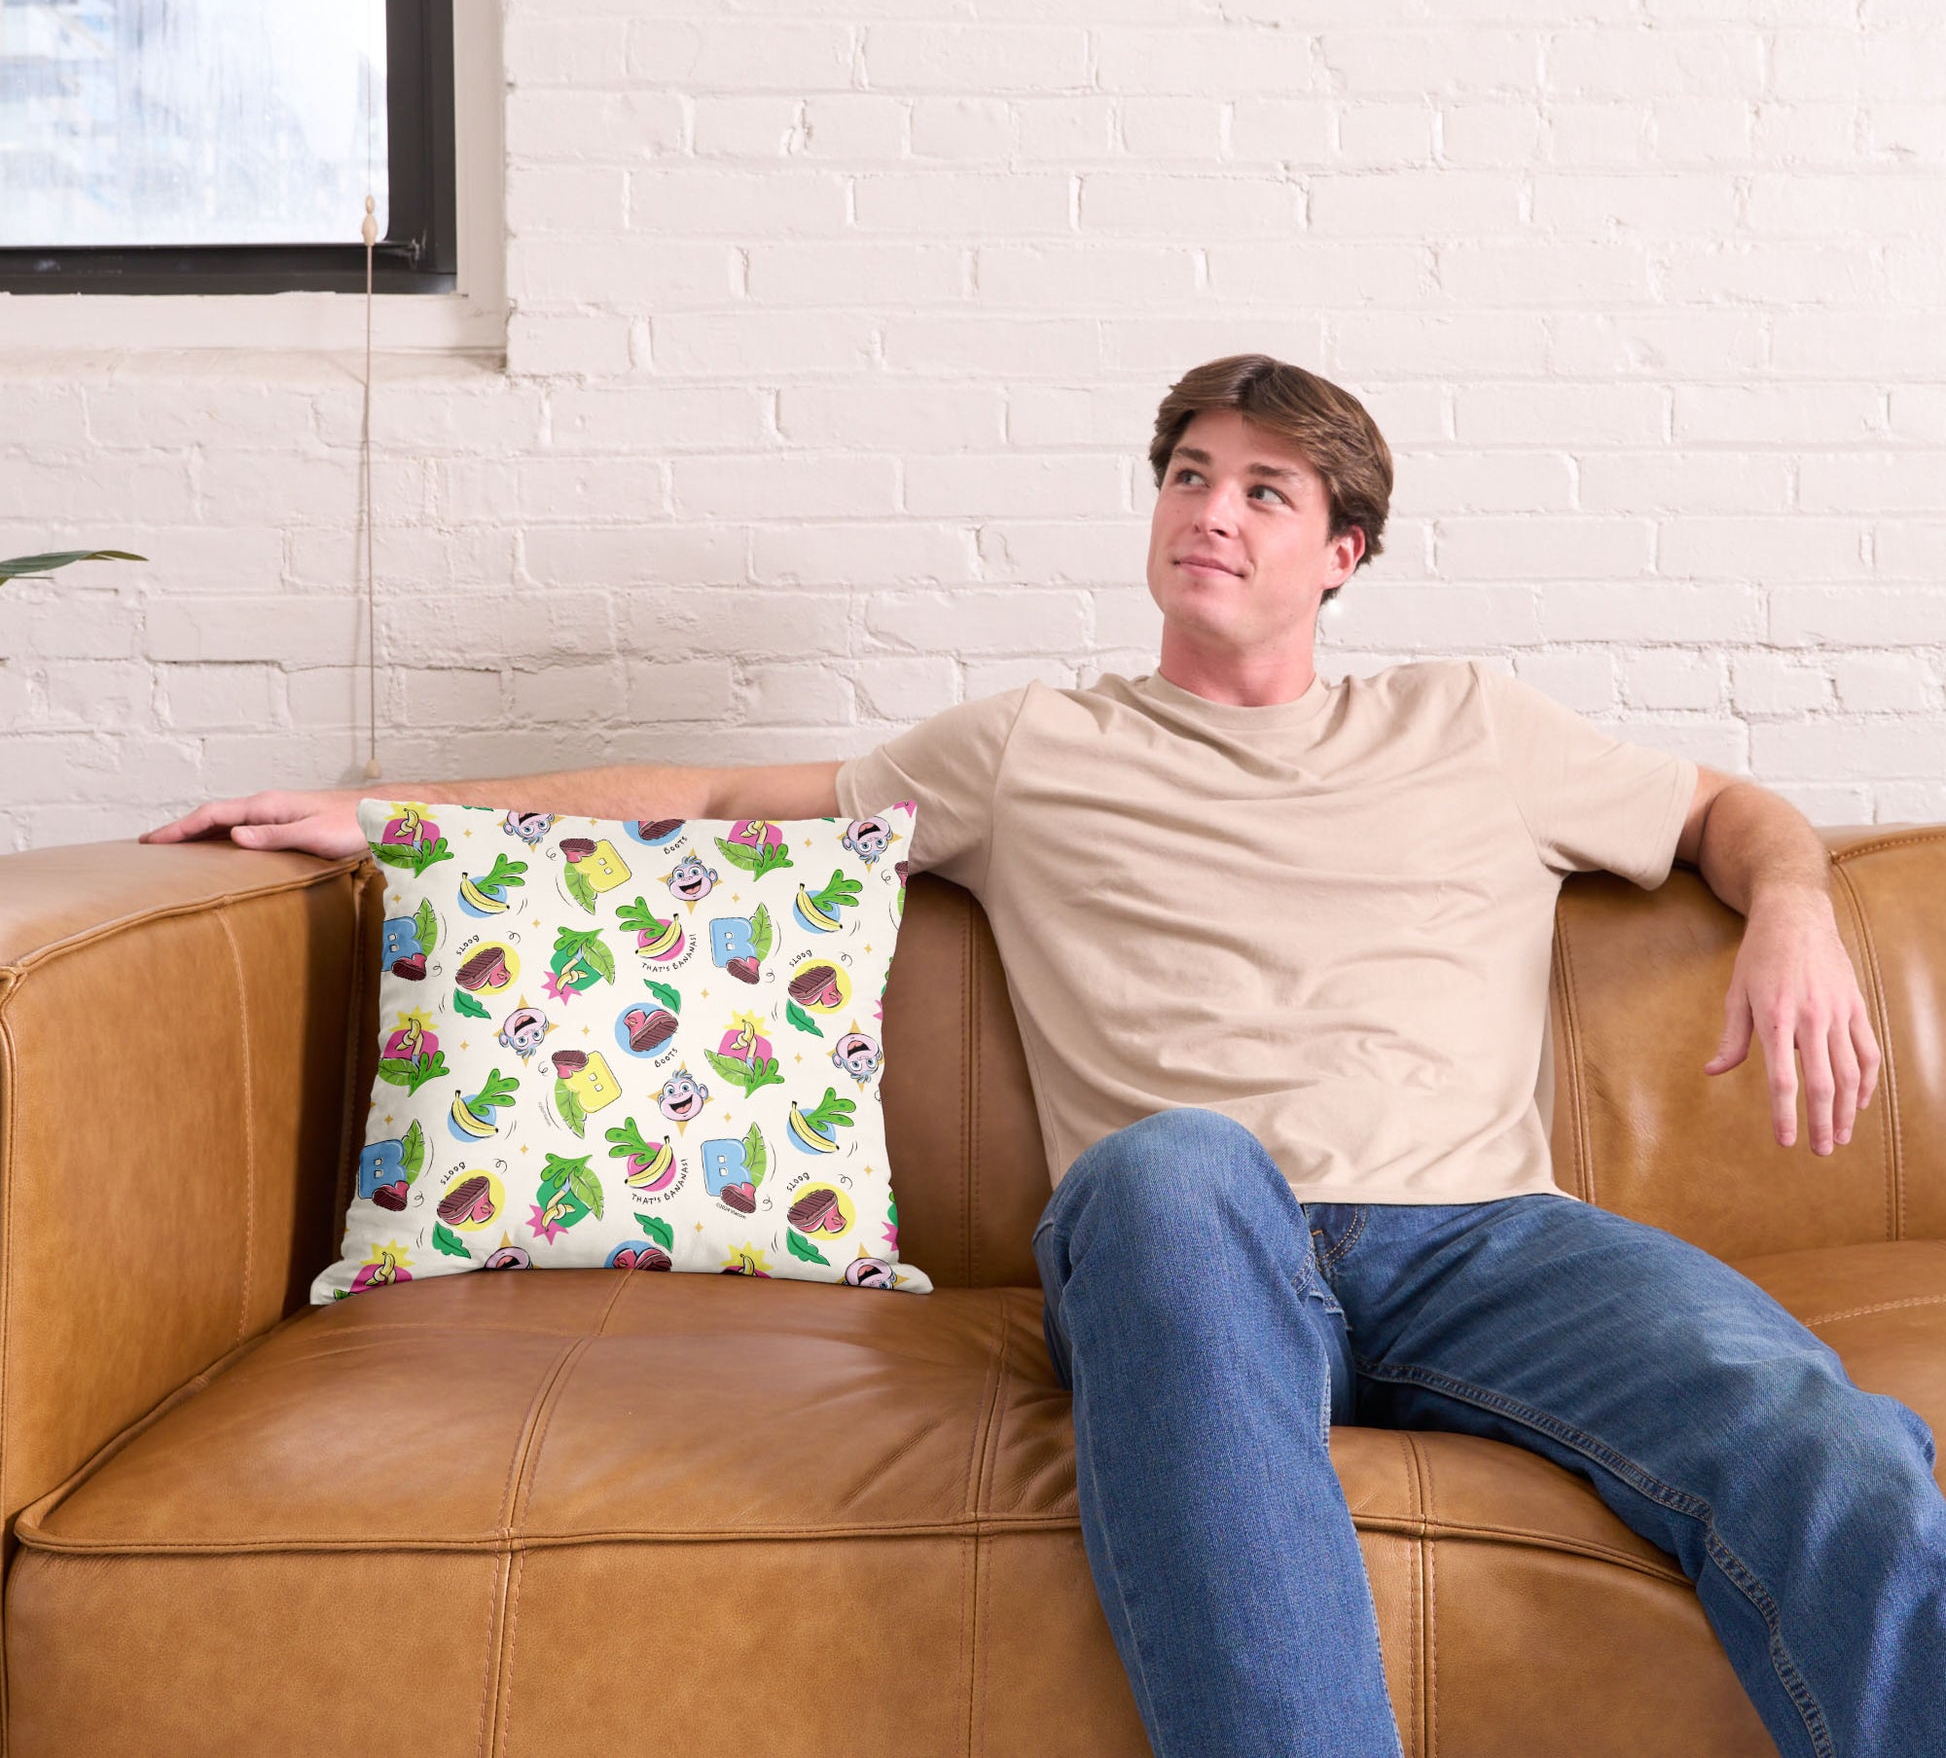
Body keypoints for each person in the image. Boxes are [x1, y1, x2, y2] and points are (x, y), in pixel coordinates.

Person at [144, 352, 1943, 1757]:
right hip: (1192, 1242)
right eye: (1186, 474)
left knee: (1826, 1436)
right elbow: (717, 795)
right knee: (1171, 1159)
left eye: (1263, 489)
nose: (1209, 511)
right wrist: (395, 814)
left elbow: (1723, 809)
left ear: (1342, 555)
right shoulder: (1028, 749)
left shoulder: (1471, 721)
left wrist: (1792, 905)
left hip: (1486, 1236)